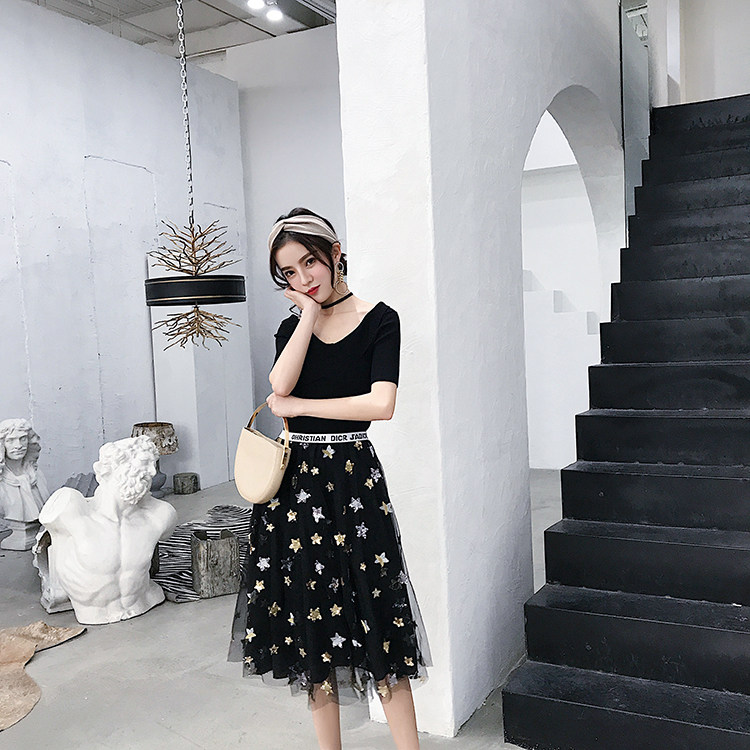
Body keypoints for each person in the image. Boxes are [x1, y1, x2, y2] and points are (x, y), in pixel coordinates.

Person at [229, 208, 431, 750]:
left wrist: (300, 406)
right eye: (289, 273)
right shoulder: (292, 327)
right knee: (311, 630)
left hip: (353, 481)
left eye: (310, 262)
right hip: (294, 489)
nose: (303, 278)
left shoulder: (380, 320)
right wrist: (308, 316)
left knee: (381, 625)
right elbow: (279, 385)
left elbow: (381, 404)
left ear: (335, 252)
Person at [38, 436, 177, 624]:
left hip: (144, 601)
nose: (151, 472)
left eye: (152, 466)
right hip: (91, 612)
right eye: (142, 464)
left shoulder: (159, 515)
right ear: (108, 470)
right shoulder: (71, 510)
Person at [0, 418, 49, 550]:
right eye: (10, 440)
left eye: (22, 439)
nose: (18, 445)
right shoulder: (2, 483)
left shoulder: (37, 475)